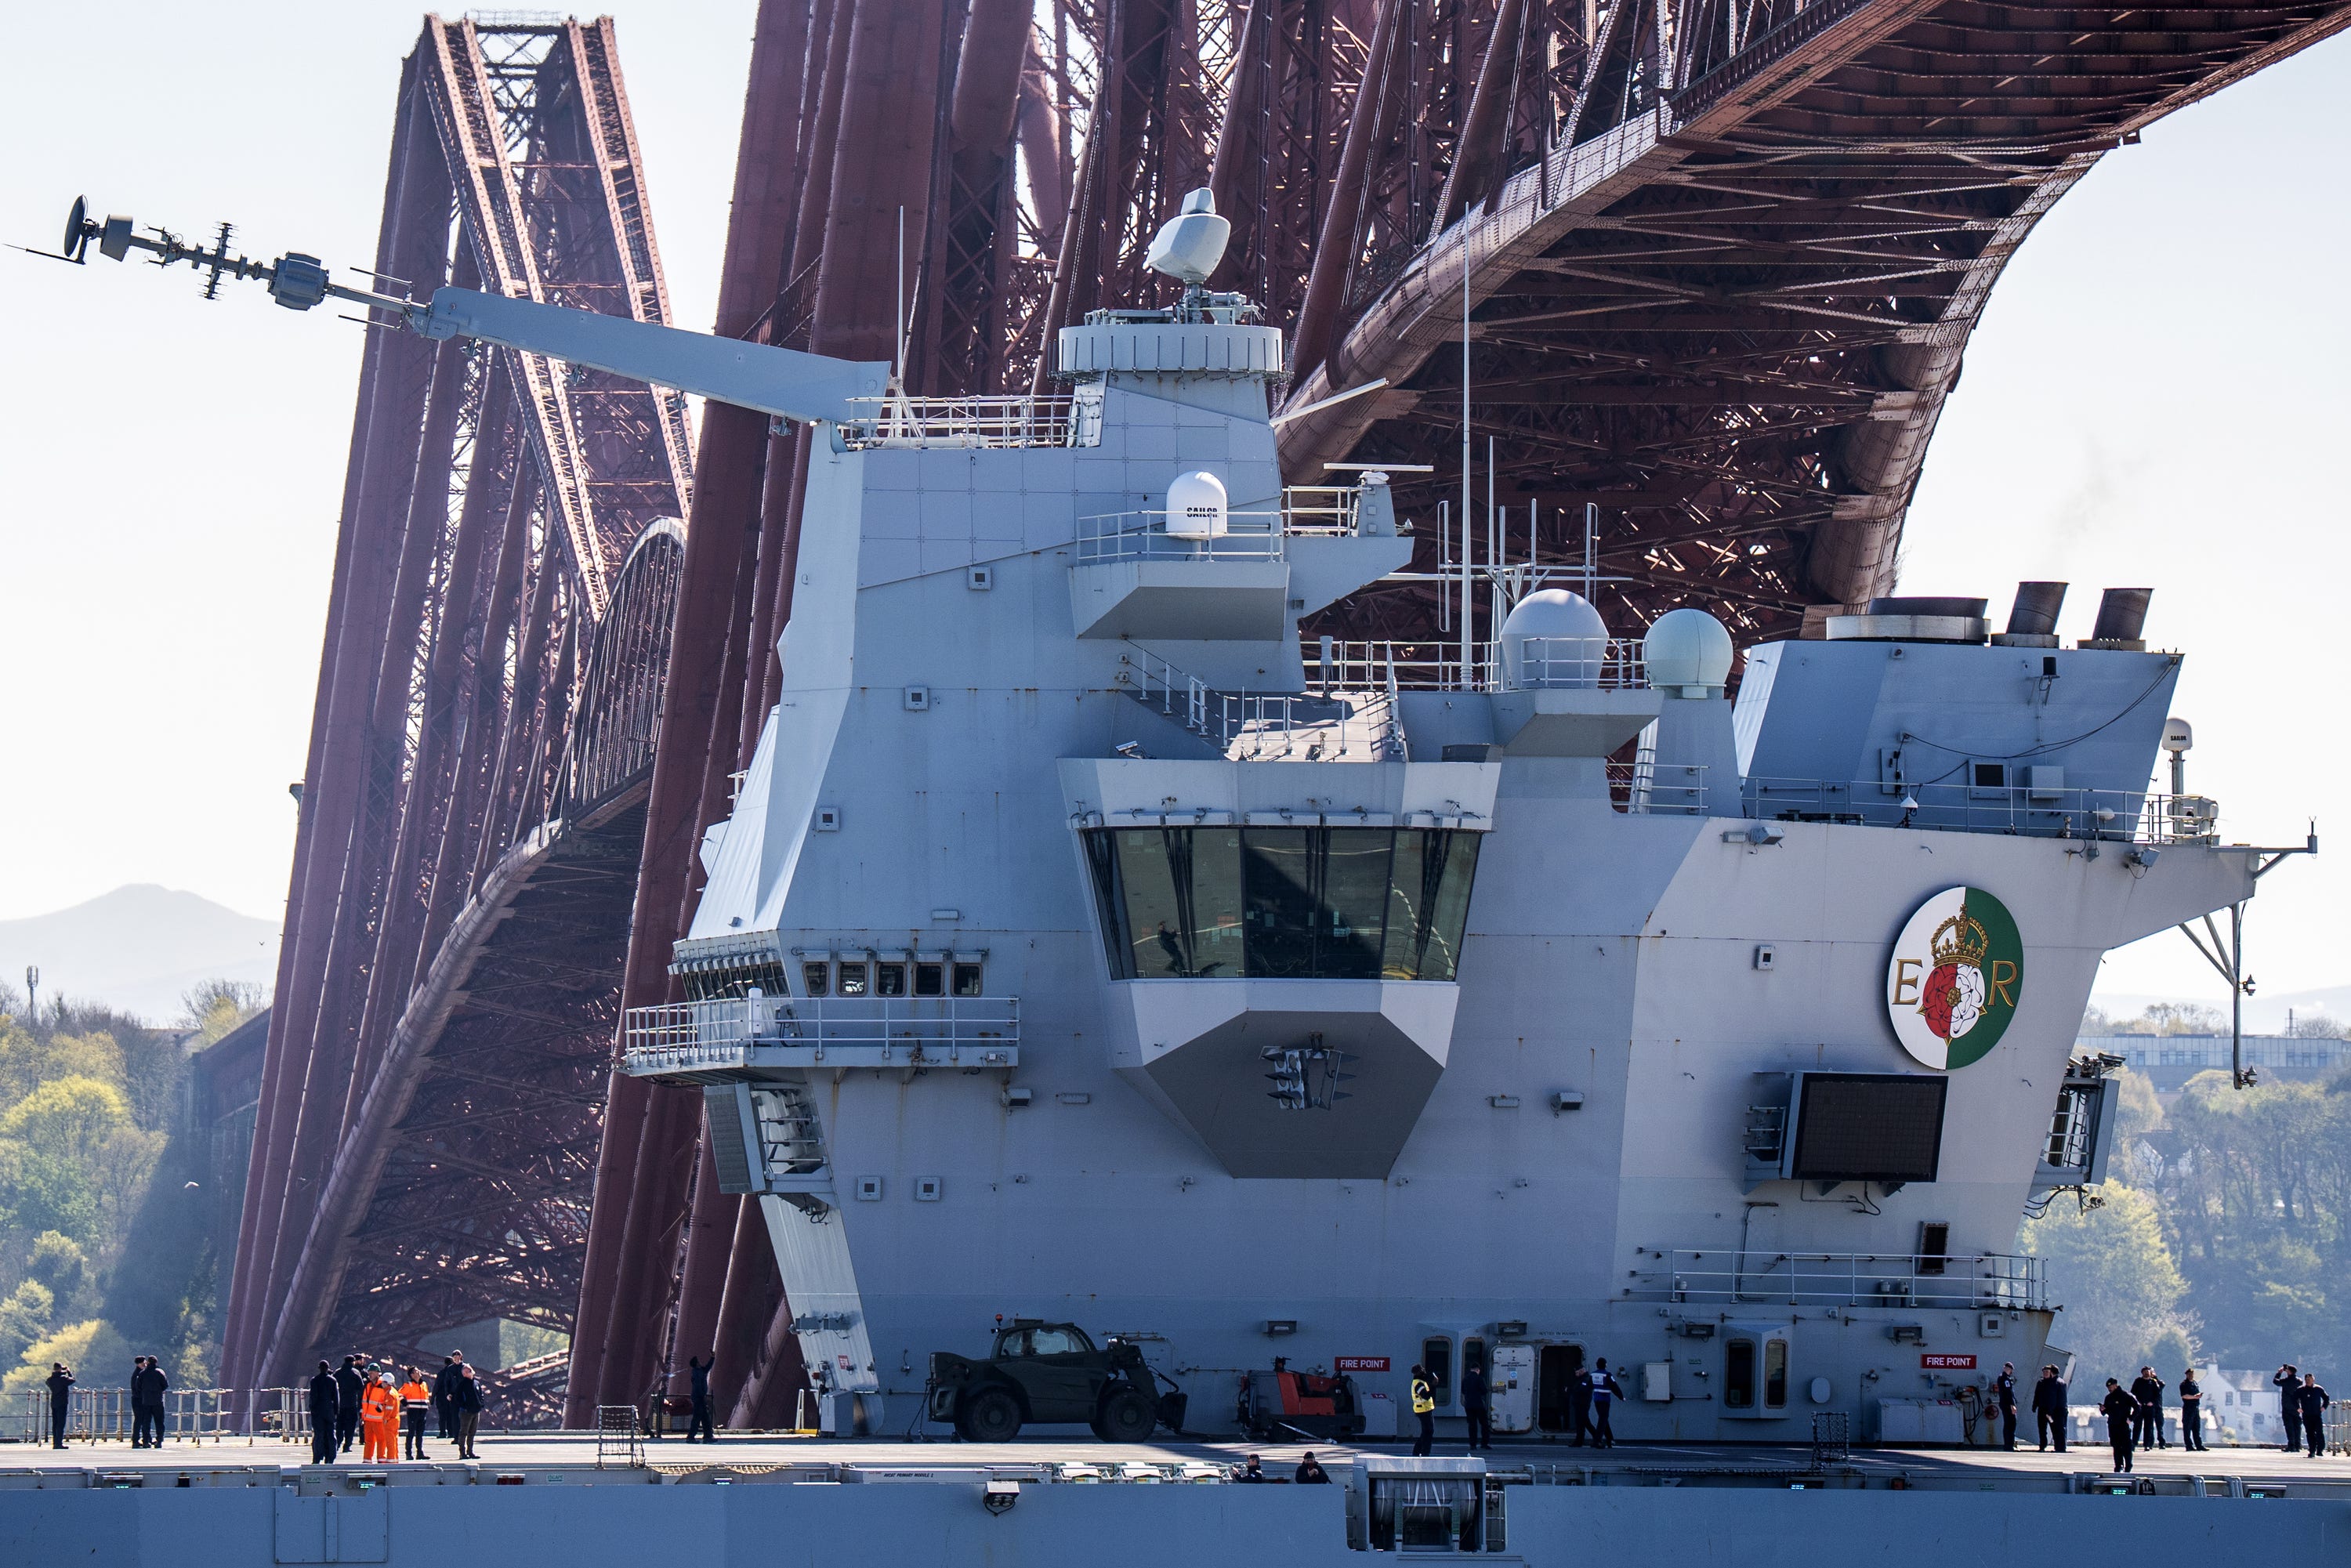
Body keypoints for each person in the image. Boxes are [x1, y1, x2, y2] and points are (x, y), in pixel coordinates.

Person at [2099, 1378, 2138, 1474]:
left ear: (2116, 1385)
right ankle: (2118, 1465)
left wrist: (2131, 1418)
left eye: (2111, 1387)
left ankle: (2128, 1465)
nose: (2110, 1389)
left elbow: (2138, 1407)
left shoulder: (2126, 1396)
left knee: (2126, 1447)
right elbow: (2106, 1412)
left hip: (2123, 1425)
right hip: (2113, 1425)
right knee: (2116, 1447)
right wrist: (2103, 1409)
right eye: (2108, 1387)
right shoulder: (2109, 1398)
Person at [362, 1372, 400, 1462]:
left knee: (390, 1441)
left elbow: (389, 1408)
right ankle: (394, 1458)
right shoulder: (393, 1391)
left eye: (383, 1382)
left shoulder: (389, 1393)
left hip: (390, 1420)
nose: (381, 1384)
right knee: (394, 1440)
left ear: (386, 1382)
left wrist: (386, 1418)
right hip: (395, 1420)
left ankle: (391, 1459)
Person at [307, 1361, 341, 1465]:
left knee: (319, 1435)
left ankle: (317, 1457)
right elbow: (336, 1398)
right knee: (330, 1435)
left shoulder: (314, 1381)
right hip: (329, 1411)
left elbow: (313, 1397)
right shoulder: (332, 1380)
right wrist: (336, 1412)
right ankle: (330, 1457)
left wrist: (312, 1409)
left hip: (318, 1412)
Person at [2031, 1364, 2068, 1453]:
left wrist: (2050, 1412)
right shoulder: (2041, 1383)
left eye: (2047, 1372)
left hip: (2051, 1412)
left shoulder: (2054, 1383)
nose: (2045, 1374)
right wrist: (2035, 1406)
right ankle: (2045, 1446)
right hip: (2043, 1410)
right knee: (2042, 1429)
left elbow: (2053, 1399)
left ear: (2051, 1373)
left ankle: (2059, 1447)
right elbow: (2037, 1395)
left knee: (2055, 1428)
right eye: (2044, 1372)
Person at [397, 1367, 433, 1461]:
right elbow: (399, 1394)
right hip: (413, 1411)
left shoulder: (424, 1384)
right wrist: (405, 1403)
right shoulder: (408, 1385)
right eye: (416, 1371)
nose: (419, 1372)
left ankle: (420, 1453)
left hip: (422, 1412)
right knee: (411, 1432)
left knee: (420, 1433)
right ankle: (408, 1453)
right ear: (412, 1375)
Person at [1460, 1355, 1491, 1453]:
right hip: (1479, 1404)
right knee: (1484, 1424)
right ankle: (1484, 1443)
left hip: (1468, 1405)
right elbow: (1485, 1391)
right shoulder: (1479, 1379)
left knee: (1472, 1425)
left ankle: (1473, 1445)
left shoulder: (1465, 1379)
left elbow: (1463, 1391)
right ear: (1478, 1370)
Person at [335, 1356, 366, 1454]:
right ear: (353, 1362)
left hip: (340, 1404)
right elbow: (361, 1387)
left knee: (340, 1426)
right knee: (351, 1426)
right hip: (352, 1403)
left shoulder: (338, 1372)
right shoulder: (355, 1373)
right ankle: (347, 1445)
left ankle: (337, 1443)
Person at [454, 1364, 485, 1460]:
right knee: (464, 1432)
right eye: (469, 1370)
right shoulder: (462, 1384)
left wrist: (481, 1404)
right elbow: (458, 1398)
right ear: (465, 1374)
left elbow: (481, 1395)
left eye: (471, 1369)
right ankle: (462, 1453)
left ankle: (470, 1452)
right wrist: (465, 1407)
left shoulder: (476, 1383)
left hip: (476, 1411)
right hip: (466, 1412)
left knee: (472, 1433)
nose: (471, 1371)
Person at [2130, 1367, 2165, 1449]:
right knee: (2137, 1426)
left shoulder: (2153, 1382)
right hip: (2140, 1407)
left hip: (2149, 1408)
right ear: (2142, 1373)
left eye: (2148, 1372)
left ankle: (2147, 1445)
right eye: (2145, 1372)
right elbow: (2133, 1393)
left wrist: (2152, 1402)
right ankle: (2134, 1444)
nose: (2147, 1373)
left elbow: (2157, 1394)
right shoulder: (2138, 1381)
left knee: (2148, 1427)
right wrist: (2137, 1403)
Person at [1588, 1359, 1620, 1449]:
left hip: (1596, 1399)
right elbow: (1615, 1387)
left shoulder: (1593, 1374)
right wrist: (1621, 1397)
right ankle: (1597, 1440)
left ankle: (1610, 1439)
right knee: (1603, 1420)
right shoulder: (1607, 1375)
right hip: (1605, 1400)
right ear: (1605, 1365)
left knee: (1603, 1419)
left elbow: (1589, 1386)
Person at [433, 1353, 465, 1442]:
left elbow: (438, 1385)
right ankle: (453, 1434)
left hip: (446, 1397)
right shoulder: (451, 1369)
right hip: (454, 1396)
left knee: (445, 1416)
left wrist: (433, 1399)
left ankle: (445, 1433)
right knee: (454, 1416)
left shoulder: (442, 1372)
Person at [2298, 1372, 2328, 1458]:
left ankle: (2320, 1449)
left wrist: (2324, 1407)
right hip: (2307, 1415)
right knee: (2310, 1433)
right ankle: (2312, 1450)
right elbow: (2294, 1398)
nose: (2308, 1381)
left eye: (2310, 1380)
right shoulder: (2301, 1390)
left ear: (2313, 1380)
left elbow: (2326, 1398)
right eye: (2307, 1380)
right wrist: (2298, 1408)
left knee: (2319, 1432)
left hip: (2316, 1414)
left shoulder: (2318, 1389)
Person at [686, 1353, 716, 1442]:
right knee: (698, 1418)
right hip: (699, 1398)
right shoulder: (697, 1373)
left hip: (699, 1398)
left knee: (704, 1418)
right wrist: (701, 1396)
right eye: (698, 1361)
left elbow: (707, 1368)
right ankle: (691, 1437)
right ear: (696, 1363)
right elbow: (698, 1386)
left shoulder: (699, 1371)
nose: (700, 1362)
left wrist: (712, 1358)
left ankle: (708, 1436)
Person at [45, 1362, 74, 1450]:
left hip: (54, 1403)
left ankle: (55, 1443)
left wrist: (60, 1372)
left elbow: (51, 1380)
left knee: (55, 1423)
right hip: (62, 1403)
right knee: (61, 1424)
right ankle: (59, 1443)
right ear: (61, 1369)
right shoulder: (63, 1379)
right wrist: (68, 1371)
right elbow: (73, 1380)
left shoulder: (50, 1380)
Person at [2275, 1364, 2303, 1453]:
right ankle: (2297, 1445)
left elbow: (2276, 1382)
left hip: (2287, 1406)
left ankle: (2291, 1445)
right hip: (2296, 1407)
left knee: (2289, 1427)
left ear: (2289, 1372)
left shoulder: (2286, 1381)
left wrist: (2279, 1373)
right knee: (2297, 1427)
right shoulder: (2299, 1381)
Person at [1409, 1364, 1436, 1457]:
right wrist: (1433, 1385)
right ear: (1418, 1372)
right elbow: (1426, 1396)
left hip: (1425, 1409)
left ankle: (1418, 1451)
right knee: (1428, 1431)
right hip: (1423, 1410)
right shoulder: (1418, 1384)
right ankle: (1424, 1452)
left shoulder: (1420, 1382)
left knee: (1427, 1431)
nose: (1424, 1370)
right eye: (1422, 1370)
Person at [2178, 1367, 2204, 1452]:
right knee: (2187, 1428)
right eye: (2189, 1374)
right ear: (2186, 1375)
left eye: (2192, 1374)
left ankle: (2199, 1445)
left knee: (2196, 1428)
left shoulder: (2195, 1383)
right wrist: (2194, 1397)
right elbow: (2184, 1396)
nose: (2191, 1376)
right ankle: (2189, 1445)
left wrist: (2198, 1396)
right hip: (2188, 1408)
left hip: (2195, 1408)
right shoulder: (2184, 1384)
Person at [1994, 1363, 2019, 1450]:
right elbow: (2009, 1393)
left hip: (2005, 1404)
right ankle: (2009, 1445)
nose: (2010, 1371)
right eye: (2008, 1369)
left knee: (2008, 1424)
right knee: (2011, 1424)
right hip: (2008, 1405)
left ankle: (2008, 1445)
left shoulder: (2002, 1378)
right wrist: (2012, 1405)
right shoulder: (2005, 1379)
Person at [1567, 1363, 1593, 1447]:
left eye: (1577, 1372)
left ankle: (1597, 1438)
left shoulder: (1586, 1379)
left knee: (1585, 1423)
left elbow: (1582, 1390)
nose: (1576, 1374)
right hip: (1580, 1404)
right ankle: (1579, 1441)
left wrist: (1571, 1390)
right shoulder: (1582, 1379)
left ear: (1582, 1371)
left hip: (1582, 1404)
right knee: (1581, 1423)